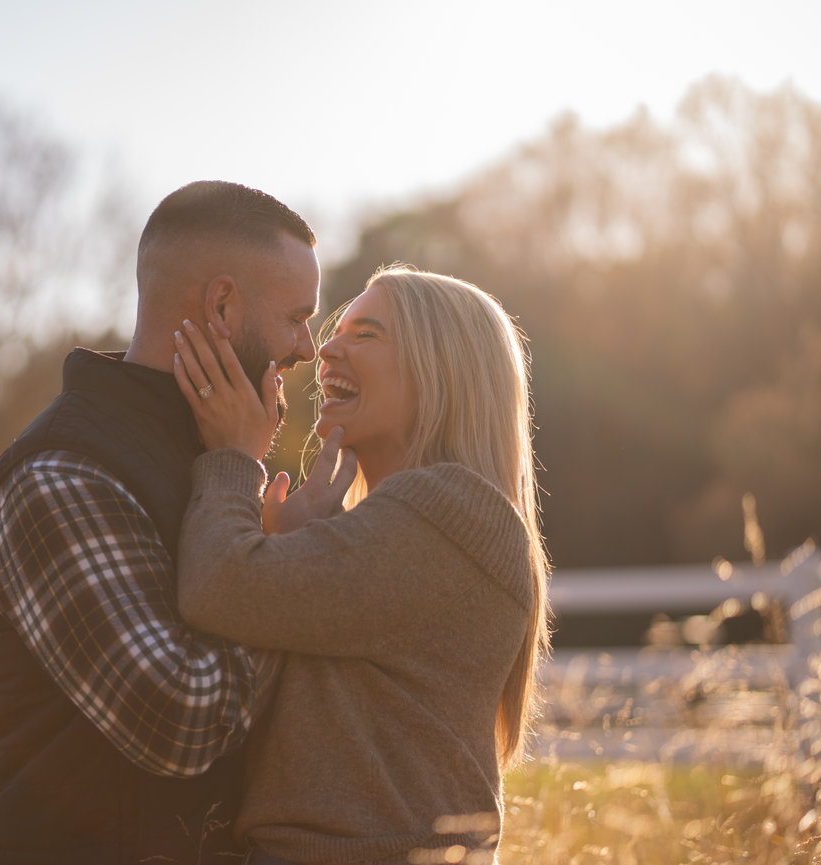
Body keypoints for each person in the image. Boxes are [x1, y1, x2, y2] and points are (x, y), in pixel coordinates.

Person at [0, 180, 322, 864]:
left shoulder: (216, 456)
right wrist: (282, 555)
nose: (307, 346)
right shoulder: (61, 477)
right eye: (297, 316)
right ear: (222, 305)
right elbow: (181, 721)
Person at [171, 264, 551, 864]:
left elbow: (218, 584)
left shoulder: (450, 512)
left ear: (441, 369)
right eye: (337, 330)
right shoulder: (409, 525)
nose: (325, 348)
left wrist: (232, 457)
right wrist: (290, 540)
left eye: (366, 334)